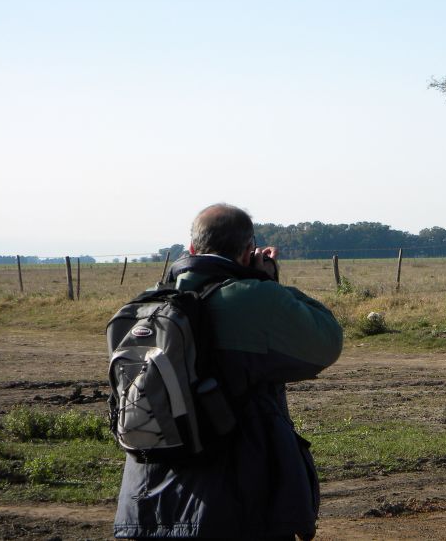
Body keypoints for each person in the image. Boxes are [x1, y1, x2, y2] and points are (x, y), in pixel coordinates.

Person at [113, 203, 344, 540]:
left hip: (144, 497)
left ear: (192, 249)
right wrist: (266, 282)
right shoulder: (253, 299)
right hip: (233, 502)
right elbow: (326, 340)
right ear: (248, 251)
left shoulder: (143, 306)